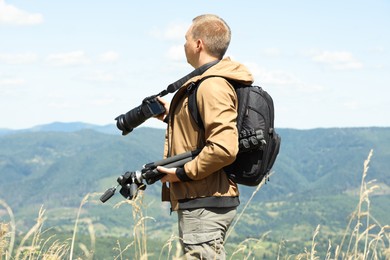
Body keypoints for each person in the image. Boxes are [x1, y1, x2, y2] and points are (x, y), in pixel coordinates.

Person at [155, 14, 254, 259]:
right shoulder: (208, 83)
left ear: (198, 44)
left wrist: (181, 173)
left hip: (204, 201)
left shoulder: (212, 85)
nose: (184, 45)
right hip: (203, 199)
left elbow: (223, 148)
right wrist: (171, 117)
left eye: (186, 39)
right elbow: (205, 132)